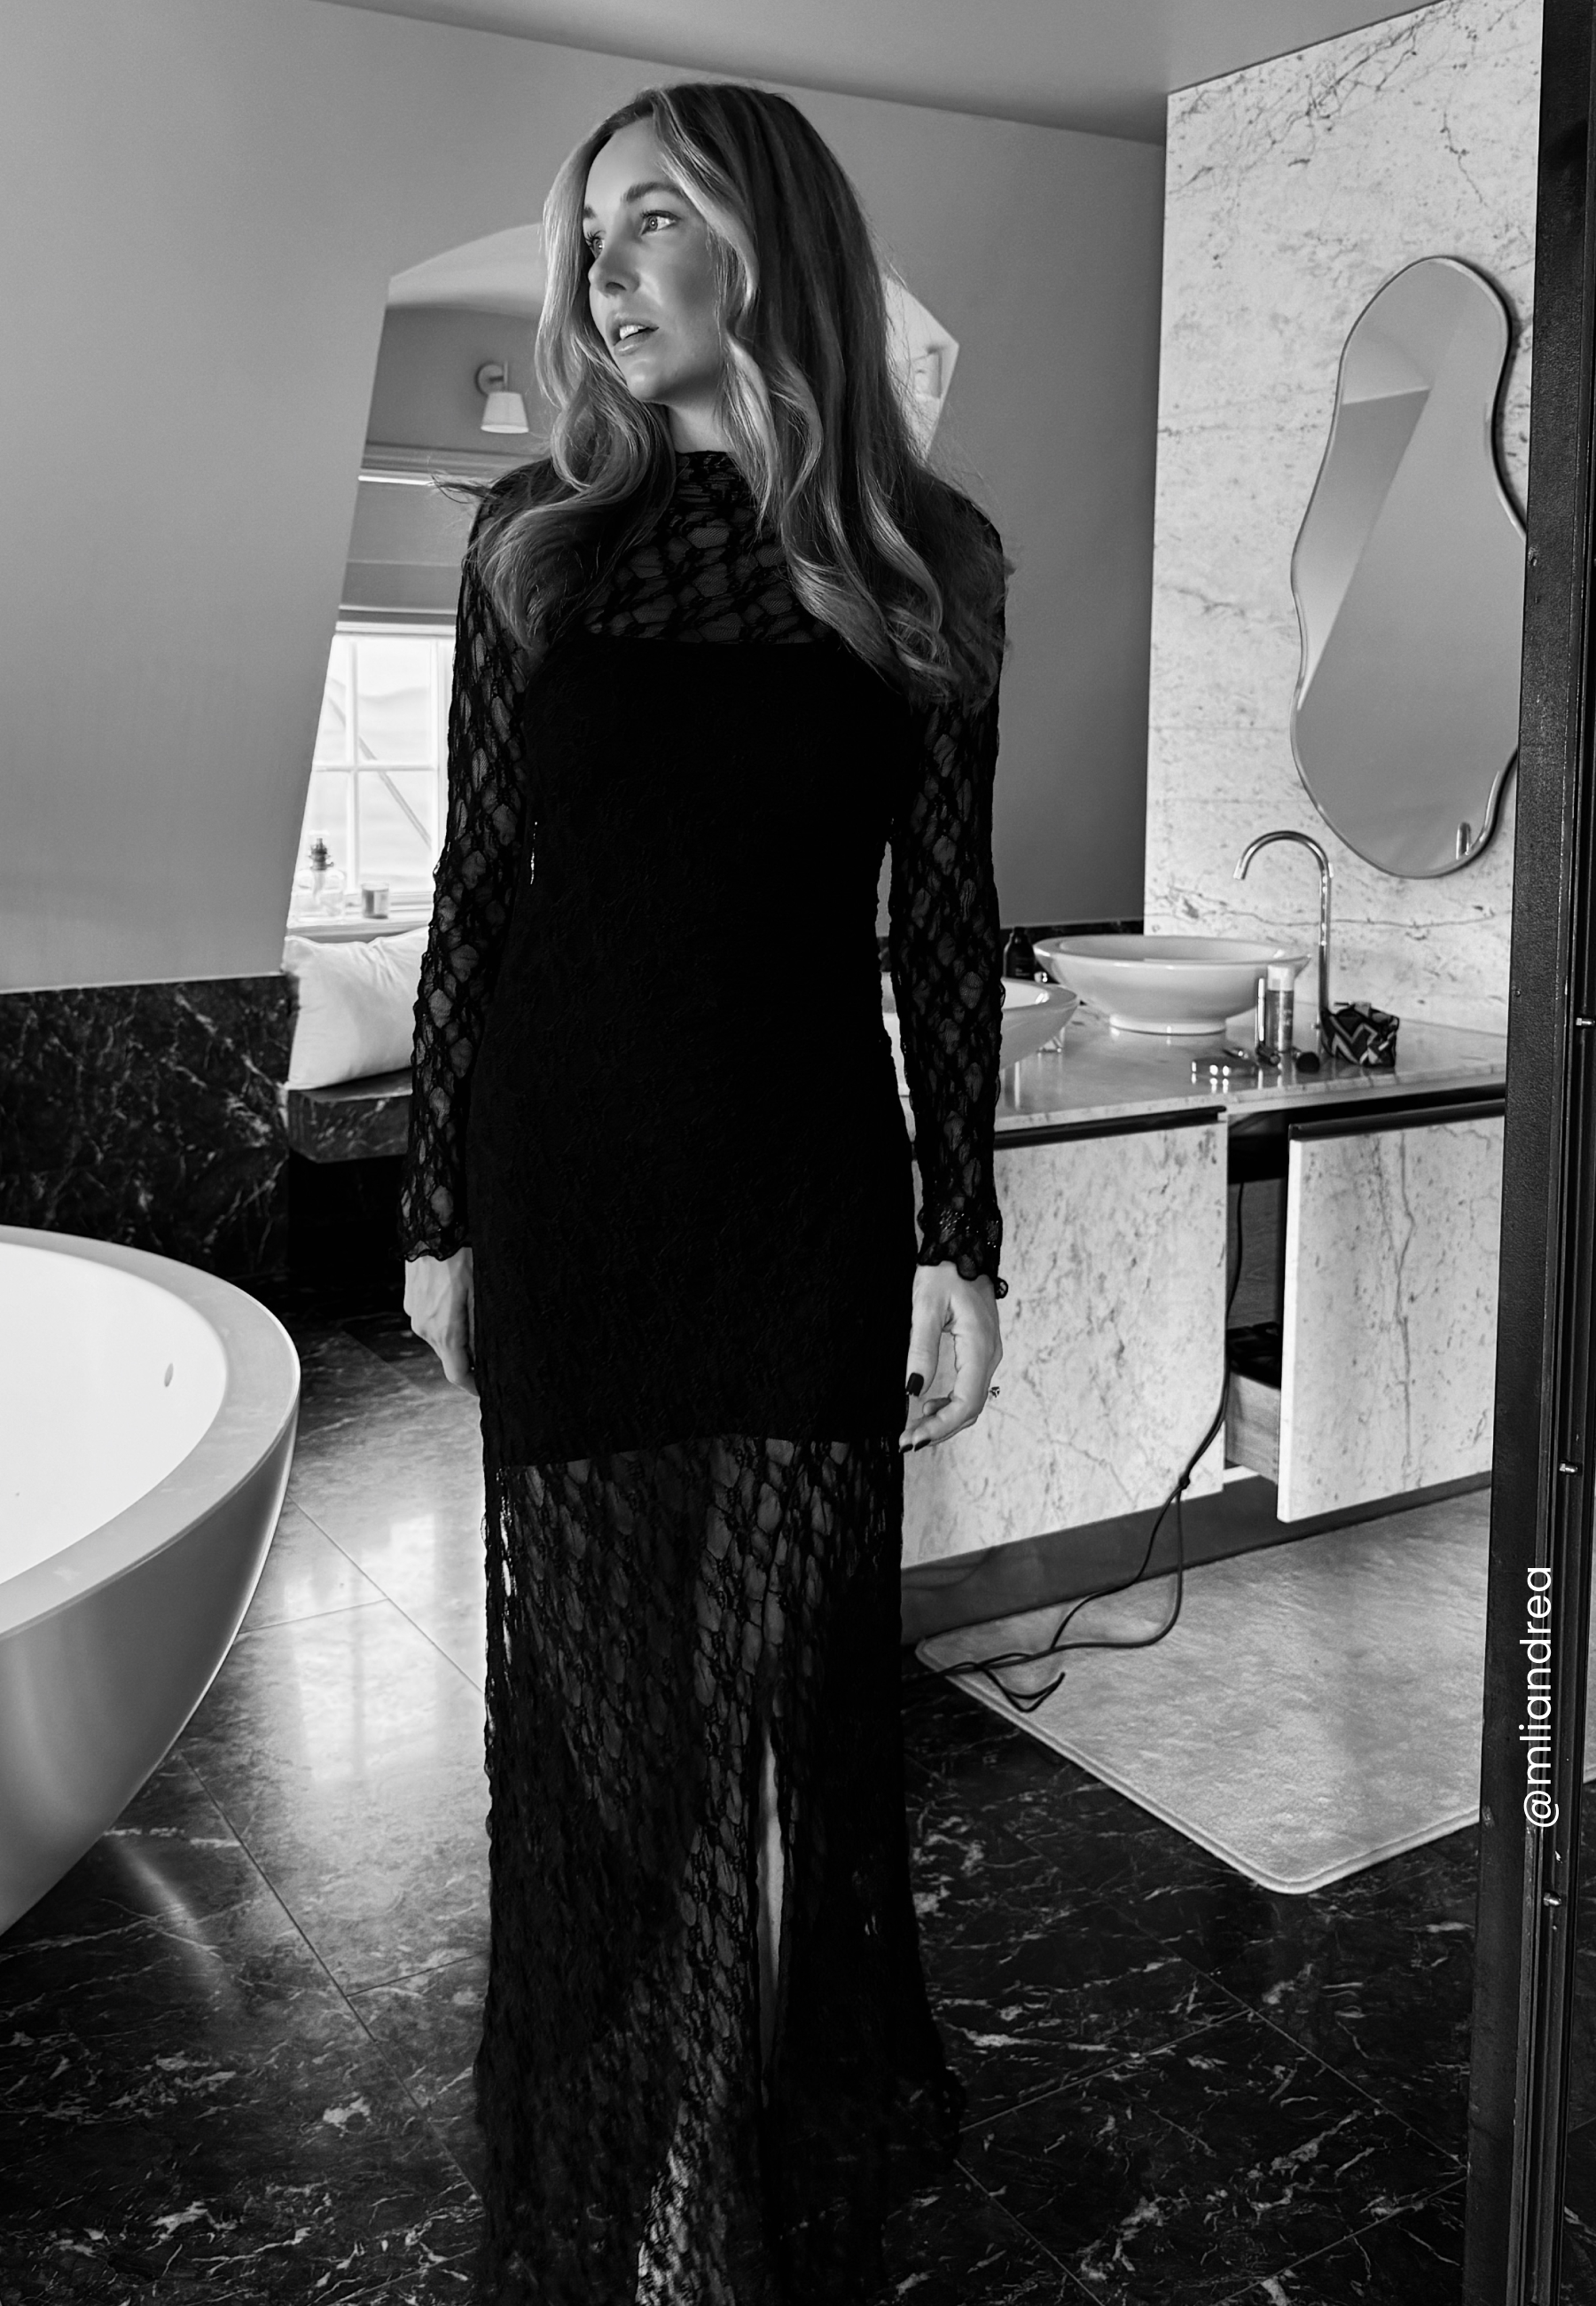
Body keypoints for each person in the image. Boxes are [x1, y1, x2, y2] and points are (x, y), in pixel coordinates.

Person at [398, 78, 1010, 2306]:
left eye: (649, 219)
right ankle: (653, 2189)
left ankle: (739, 2152)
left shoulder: (925, 561)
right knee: (608, 1750)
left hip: (801, 1198)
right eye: (589, 235)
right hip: (571, 1190)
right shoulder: (531, 542)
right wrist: (437, 1212)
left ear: (768, 243)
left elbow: (948, 924)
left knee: (786, 1716)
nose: (603, 269)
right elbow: (479, 893)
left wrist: (962, 1239)